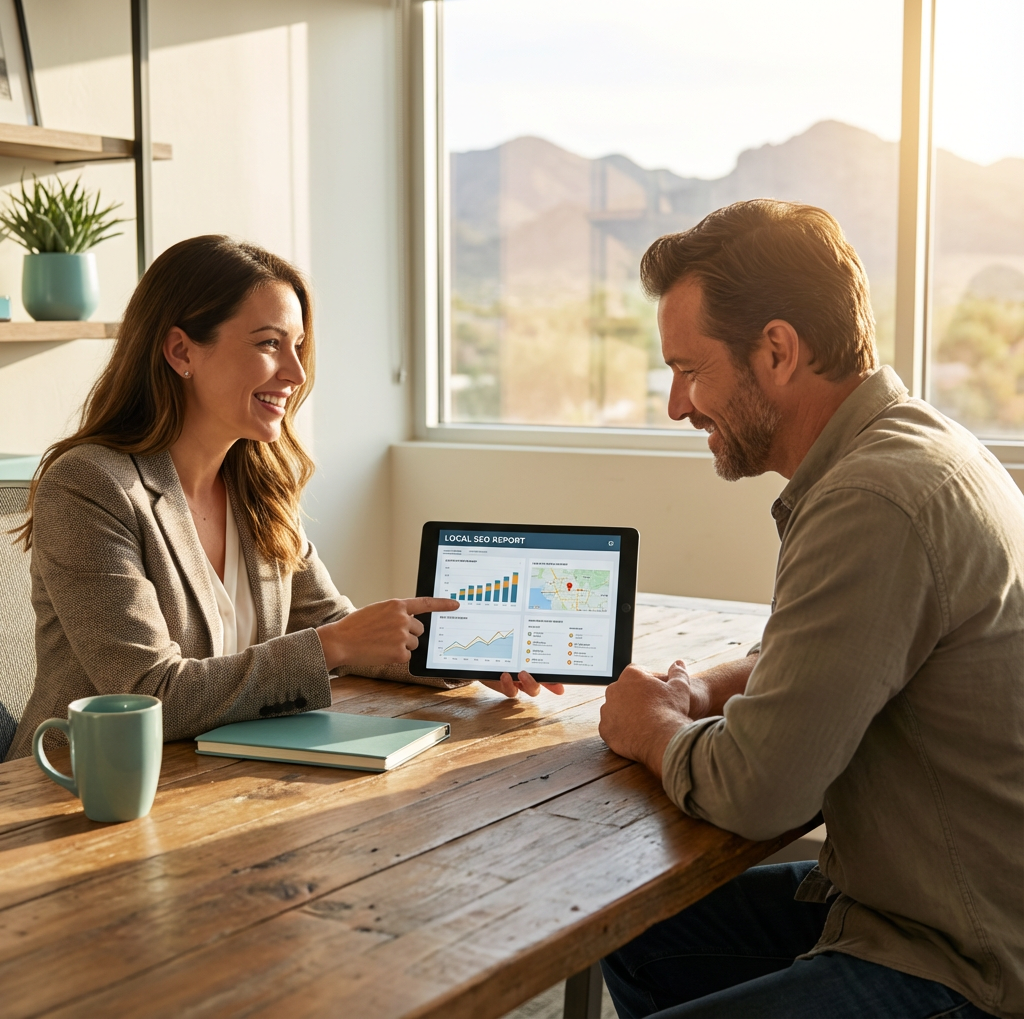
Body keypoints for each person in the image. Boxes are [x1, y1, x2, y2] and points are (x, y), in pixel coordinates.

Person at [596, 201, 1023, 1019]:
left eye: (690, 369)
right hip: (908, 896)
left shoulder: (872, 499)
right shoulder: (914, 448)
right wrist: (703, 687)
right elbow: (834, 661)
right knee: (631, 925)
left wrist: (649, 726)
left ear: (778, 350)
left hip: (962, 957)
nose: (678, 405)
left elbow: (759, 793)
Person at [7, 235, 558, 762]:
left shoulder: (257, 486)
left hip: (223, 778)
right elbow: (150, 693)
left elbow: (332, 625)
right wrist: (333, 646)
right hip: (76, 795)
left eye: (297, 346)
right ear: (181, 351)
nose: (295, 373)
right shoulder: (89, 486)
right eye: (270, 343)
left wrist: (460, 656)